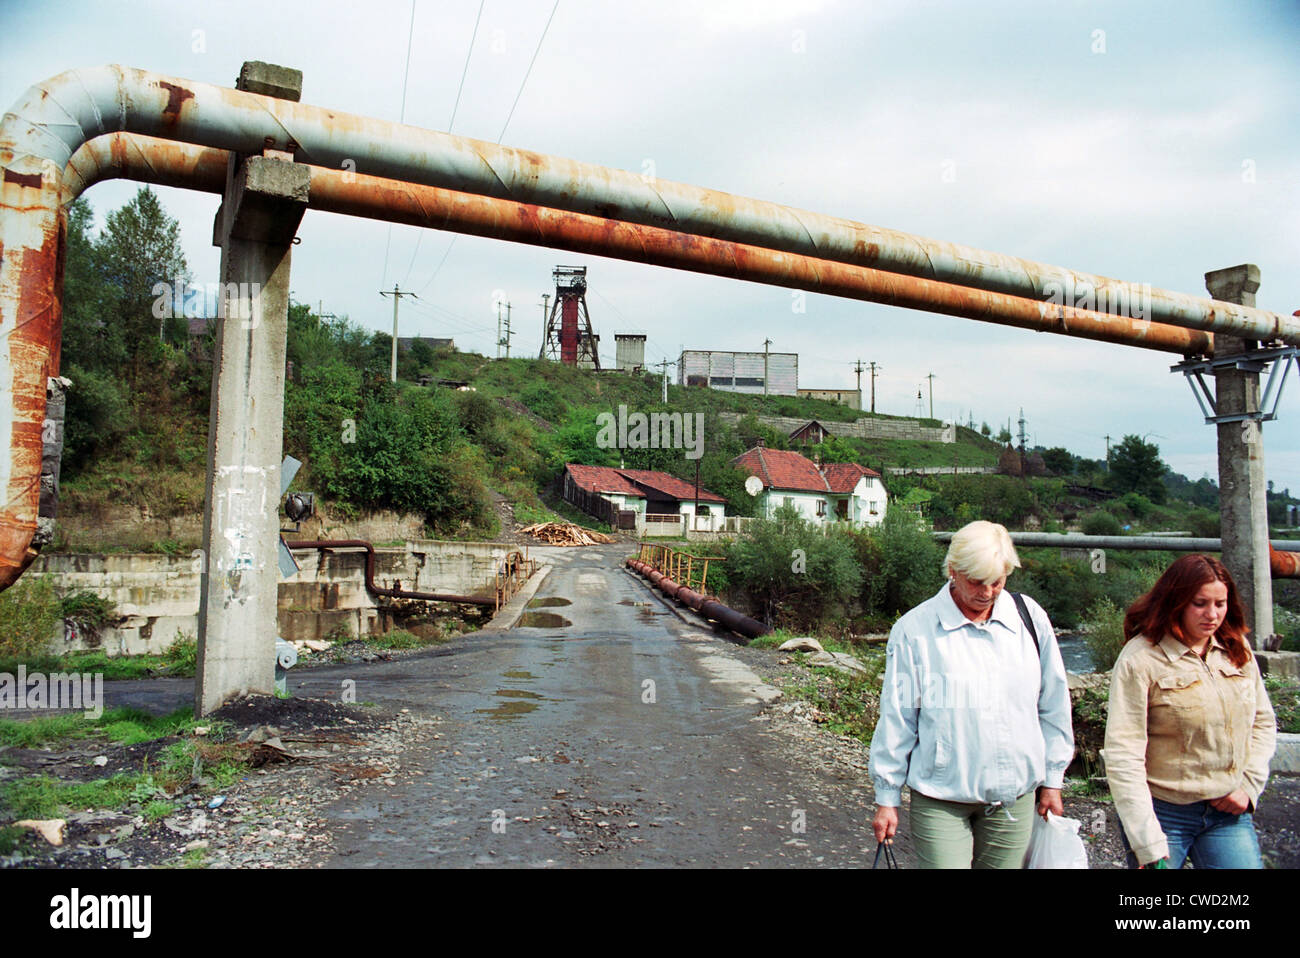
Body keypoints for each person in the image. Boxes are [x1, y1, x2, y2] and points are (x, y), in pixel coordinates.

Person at [869, 520, 1074, 868]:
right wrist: (887, 796)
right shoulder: (915, 631)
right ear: (953, 570)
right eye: (976, 582)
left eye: (997, 581)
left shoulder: (1029, 619)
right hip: (941, 799)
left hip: (1013, 800)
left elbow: (1053, 703)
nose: (988, 592)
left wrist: (1053, 780)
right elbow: (898, 717)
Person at [1105, 554, 1276, 869]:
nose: (1212, 615)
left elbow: (1262, 723)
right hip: (1162, 814)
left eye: (1220, 604)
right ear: (1176, 601)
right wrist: (1146, 838)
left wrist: (1249, 786)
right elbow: (1122, 754)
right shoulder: (1140, 659)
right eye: (1200, 603)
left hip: (1228, 813)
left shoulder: (1237, 647)